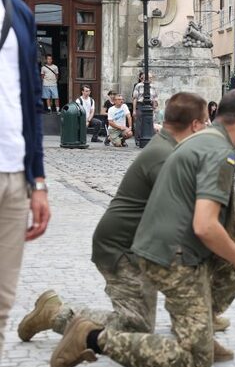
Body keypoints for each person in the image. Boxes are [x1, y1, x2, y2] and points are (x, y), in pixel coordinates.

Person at [51, 89, 235, 367]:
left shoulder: (202, 140)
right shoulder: (218, 152)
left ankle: (200, 327)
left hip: (163, 248)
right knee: (194, 359)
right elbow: (205, 225)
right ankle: (90, 337)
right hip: (173, 256)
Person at [17, 93, 208, 345]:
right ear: (194, 124)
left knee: (141, 322)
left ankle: (205, 315)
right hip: (119, 249)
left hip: (137, 246)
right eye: (205, 122)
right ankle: (54, 313)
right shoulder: (165, 155)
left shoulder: (169, 147)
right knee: (135, 327)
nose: (207, 127)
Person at [0, 0, 51, 355]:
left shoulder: (18, 11)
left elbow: (31, 100)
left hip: (14, 176)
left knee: (1, 303)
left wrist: (38, 180)